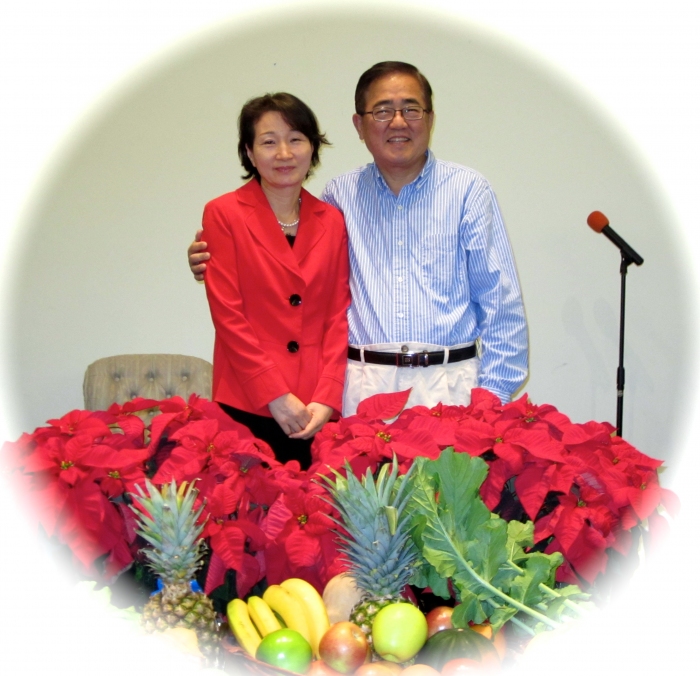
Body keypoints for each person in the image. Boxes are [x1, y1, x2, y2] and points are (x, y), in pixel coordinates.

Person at [190, 62, 527, 416]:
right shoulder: (340, 196)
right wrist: (209, 258)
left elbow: (501, 304)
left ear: (430, 118)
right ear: (359, 125)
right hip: (363, 388)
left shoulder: (468, 190)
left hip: (451, 387)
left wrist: (491, 403)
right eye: (382, 111)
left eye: (411, 109)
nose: (398, 122)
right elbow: (298, 272)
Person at [201, 92, 350, 469]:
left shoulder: (332, 220)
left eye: (296, 139)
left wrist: (328, 395)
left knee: (319, 502)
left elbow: (337, 315)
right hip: (247, 399)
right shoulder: (223, 214)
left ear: (312, 148)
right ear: (249, 153)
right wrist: (273, 394)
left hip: (316, 407)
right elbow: (228, 316)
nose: (284, 153)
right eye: (269, 142)